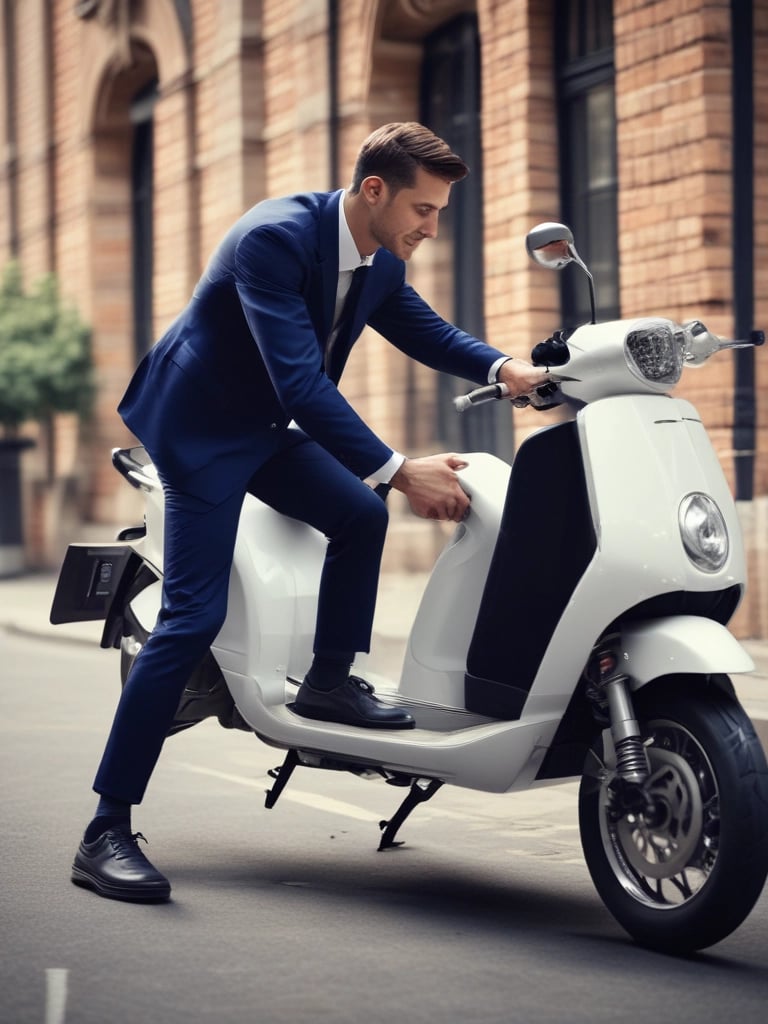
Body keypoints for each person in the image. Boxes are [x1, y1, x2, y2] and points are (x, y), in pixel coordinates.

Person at [70, 122, 547, 903]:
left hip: (263, 426)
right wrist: (398, 472)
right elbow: (300, 383)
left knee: (359, 520)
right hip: (202, 432)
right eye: (423, 211)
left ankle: (328, 683)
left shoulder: (376, 258)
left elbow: (421, 327)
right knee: (192, 618)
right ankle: (105, 828)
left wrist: (506, 367)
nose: (431, 228)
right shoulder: (274, 239)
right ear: (373, 191)